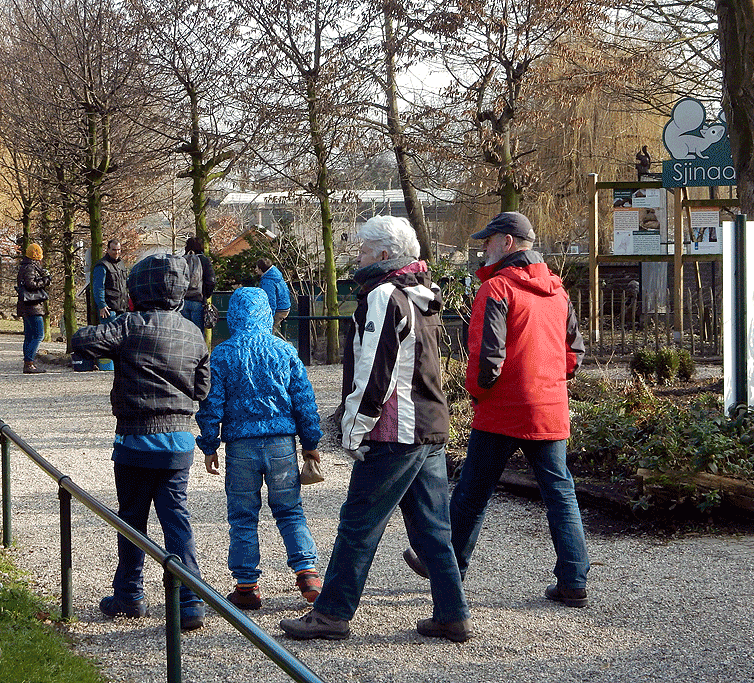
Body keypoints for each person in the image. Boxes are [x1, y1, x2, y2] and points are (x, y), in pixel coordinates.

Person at [279, 216, 471, 643]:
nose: (357, 257)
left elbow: (373, 372)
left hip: (395, 432)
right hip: (428, 425)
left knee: (358, 525)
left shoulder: (384, 295)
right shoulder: (420, 294)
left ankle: (331, 614)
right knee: (433, 529)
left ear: (384, 254)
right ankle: (452, 614)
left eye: (363, 250)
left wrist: (353, 429)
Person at [402, 211, 590, 608]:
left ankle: (448, 569)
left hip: (502, 408)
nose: (483, 247)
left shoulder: (497, 288)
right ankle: (573, 579)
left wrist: (477, 393)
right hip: (548, 408)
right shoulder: (558, 291)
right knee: (560, 494)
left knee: (473, 493)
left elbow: (486, 357)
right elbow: (574, 353)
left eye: (488, 241)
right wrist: (550, 383)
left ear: (507, 242)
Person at [71, 254, 212, 631]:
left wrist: (116, 327)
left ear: (137, 288)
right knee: (176, 519)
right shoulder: (193, 333)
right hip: (179, 443)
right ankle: (190, 601)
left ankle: (130, 594)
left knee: (132, 519)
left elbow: (82, 340)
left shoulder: (129, 325)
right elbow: (202, 389)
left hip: (135, 440)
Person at [197, 286, 324, 610]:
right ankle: (307, 573)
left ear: (233, 316)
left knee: (242, 517)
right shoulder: (284, 350)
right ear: (267, 314)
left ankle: (246, 586)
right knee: (290, 511)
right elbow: (304, 401)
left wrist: (210, 445)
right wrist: (310, 444)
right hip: (282, 444)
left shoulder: (222, 354)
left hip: (241, 447)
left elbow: (211, 405)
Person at [16, 243, 51, 374]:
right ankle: (29, 363)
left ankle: (28, 362)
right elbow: (31, 284)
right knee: (38, 335)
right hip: (33, 306)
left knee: (29, 336)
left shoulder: (25, 266)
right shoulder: (31, 267)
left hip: (26, 305)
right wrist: (45, 281)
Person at [92, 238, 129, 323]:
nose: (116, 252)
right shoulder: (102, 265)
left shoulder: (121, 264)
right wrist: (102, 305)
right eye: (114, 250)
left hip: (122, 309)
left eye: (118, 250)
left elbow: (125, 284)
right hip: (108, 310)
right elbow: (98, 287)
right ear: (108, 250)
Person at [182, 237, 216, 330]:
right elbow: (211, 280)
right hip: (198, 300)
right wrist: (206, 295)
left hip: (182, 302)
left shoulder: (182, 260)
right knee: (198, 333)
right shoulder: (204, 260)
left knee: (184, 333)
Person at [254, 258, 291, 335]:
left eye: (257, 267)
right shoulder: (276, 275)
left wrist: (269, 317)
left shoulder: (267, 281)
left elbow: (270, 300)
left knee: (268, 333)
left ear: (261, 269)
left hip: (278, 310)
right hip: (284, 307)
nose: (255, 270)